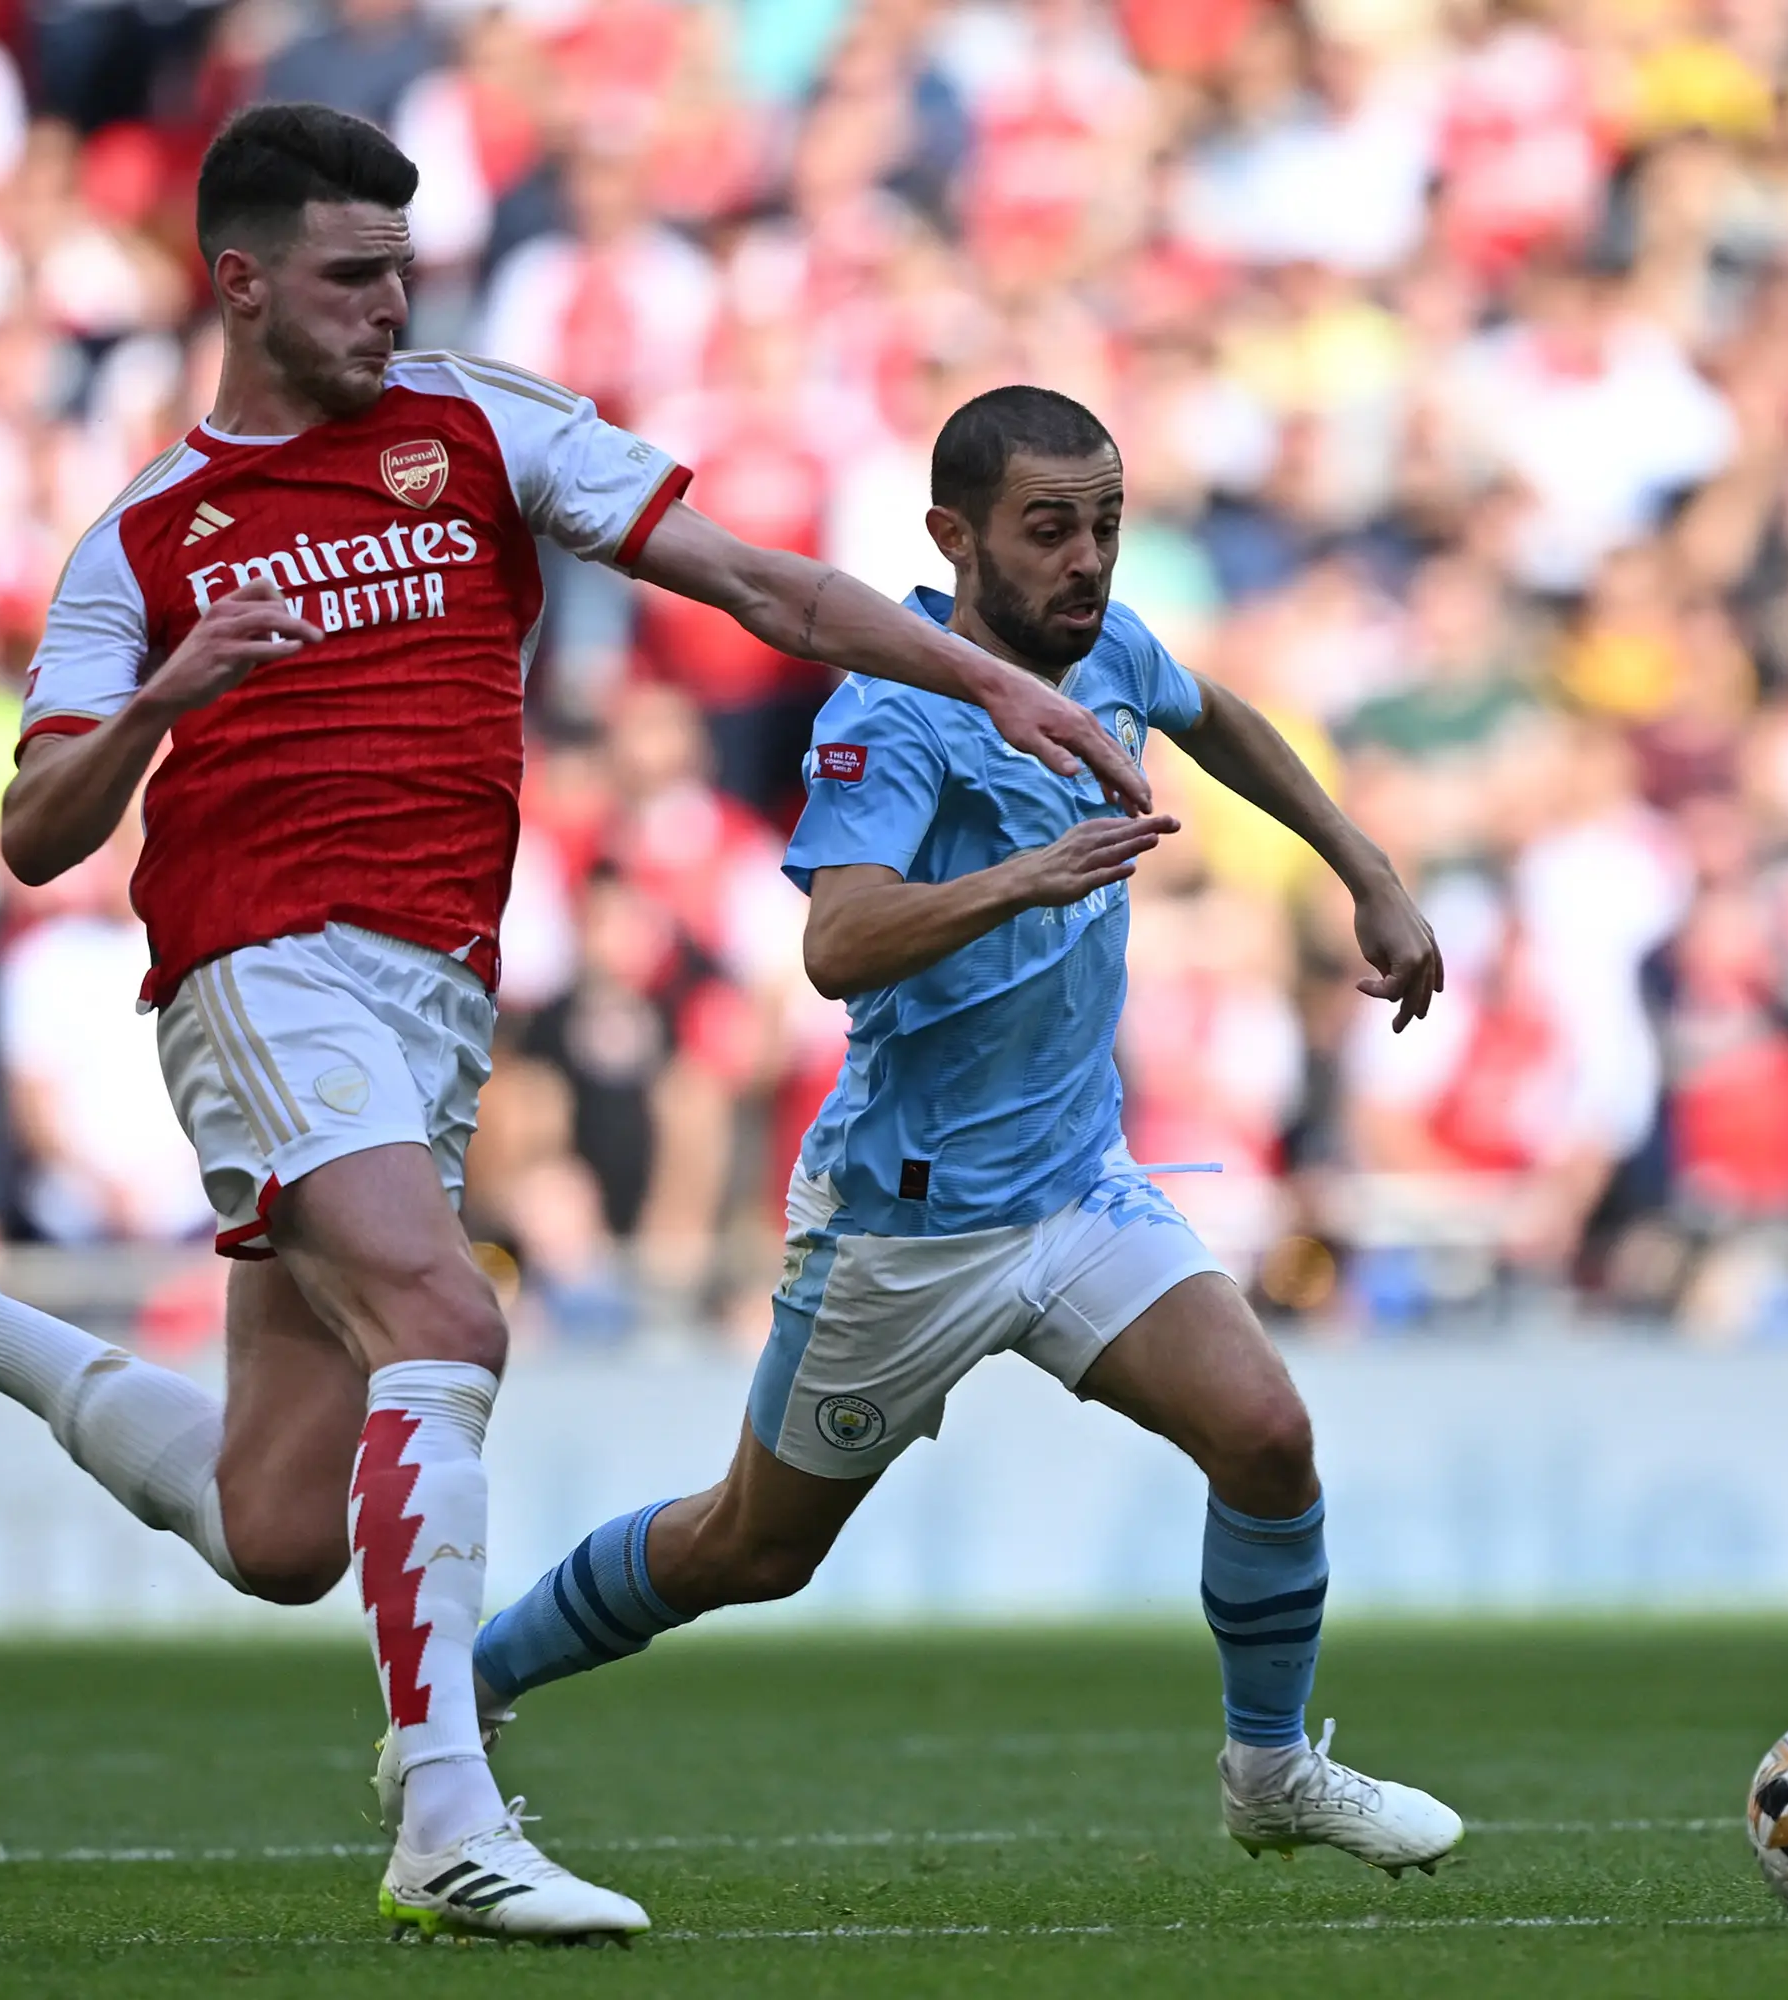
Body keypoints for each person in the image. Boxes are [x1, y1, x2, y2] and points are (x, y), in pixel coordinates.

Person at [0, 103, 1148, 1946]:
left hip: (429, 997)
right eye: (353, 278)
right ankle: (445, 1815)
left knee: (278, 1530)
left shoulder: (479, 425)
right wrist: (167, 693)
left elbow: (760, 584)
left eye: (404, 271)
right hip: (261, 965)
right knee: (447, 1311)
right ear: (240, 283)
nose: (388, 307)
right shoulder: (144, 546)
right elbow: (34, 834)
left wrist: (997, 682)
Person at [455, 386, 1464, 1882]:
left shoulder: (1107, 648)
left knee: (1265, 1436)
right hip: (907, 1224)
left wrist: (1366, 870)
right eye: (1049, 527)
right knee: (752, 1548)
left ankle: (1270, 1772)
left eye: (1106, 525)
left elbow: (1221, 715)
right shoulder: (892, 708)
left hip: (1076, 1188)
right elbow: (841, 944)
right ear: (954, 537)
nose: (1087, 560)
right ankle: (458, 1694)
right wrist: (1029, 878)